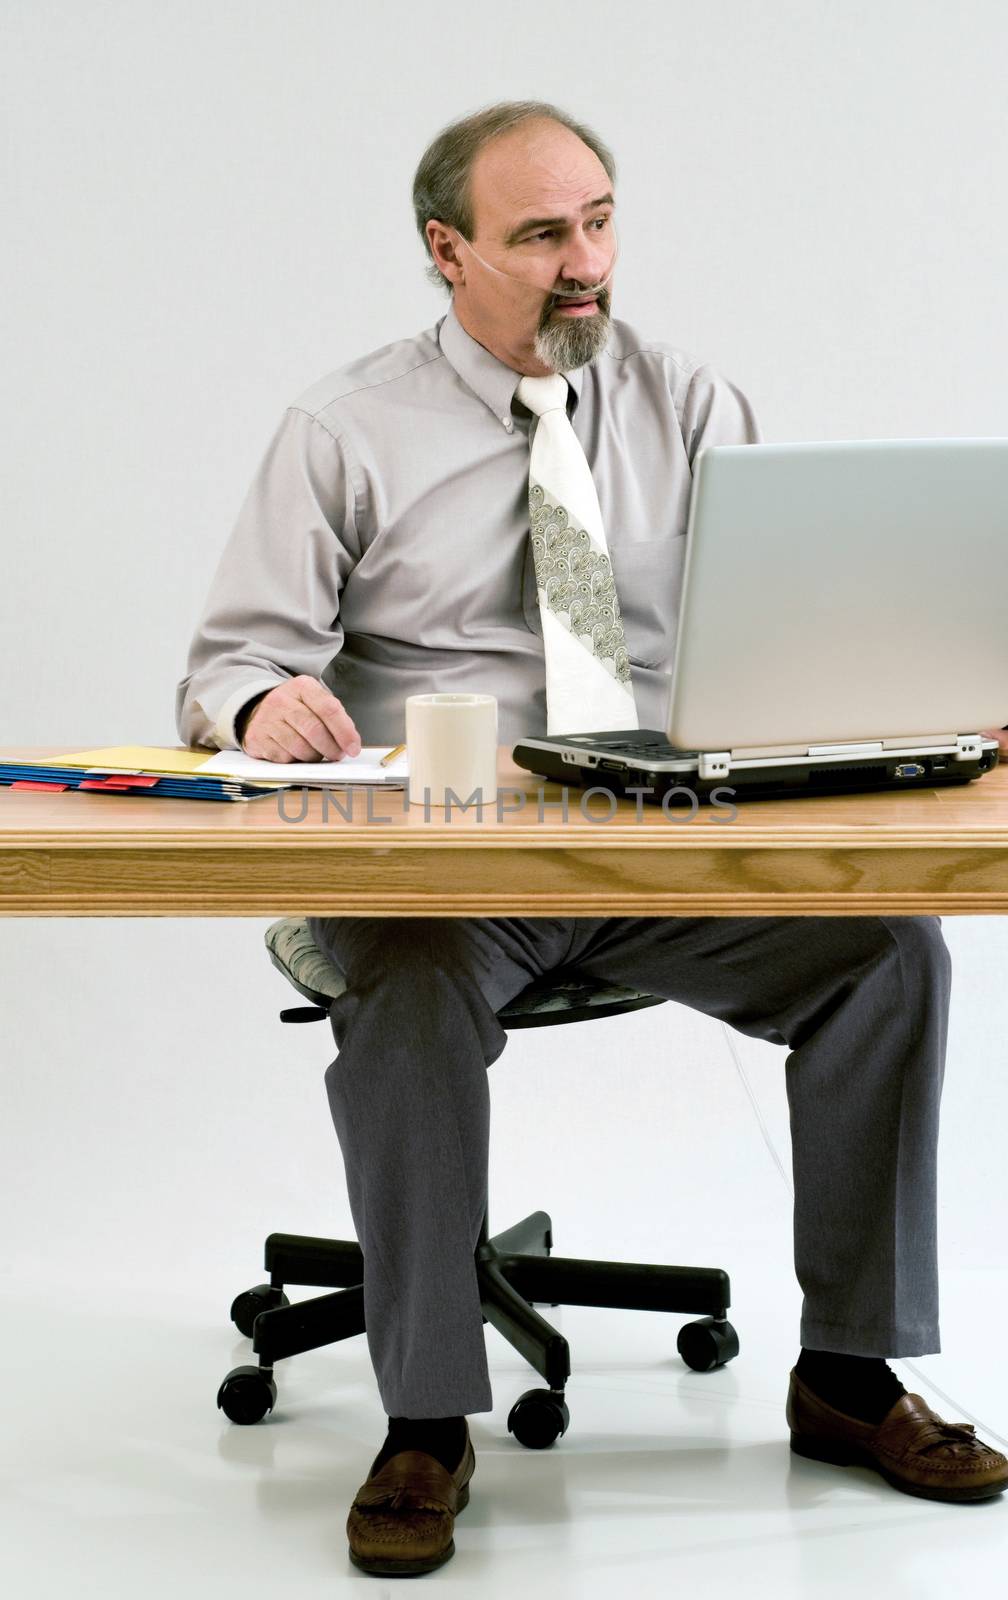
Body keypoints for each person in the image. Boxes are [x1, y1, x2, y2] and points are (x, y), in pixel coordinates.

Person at [176, 99, 1008, 1578]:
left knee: (890, 947)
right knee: (418, 991)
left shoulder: (688, 399)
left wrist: (926, 695)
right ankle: (428, 1418)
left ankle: (853, 1375)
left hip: (656, 851)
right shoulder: (344, 428)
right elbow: (224, 668)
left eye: (603, 221)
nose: (588, 265)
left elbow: (792, 633)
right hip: (444, 858)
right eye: (544, 233)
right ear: (447, 251)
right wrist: (263, 707)